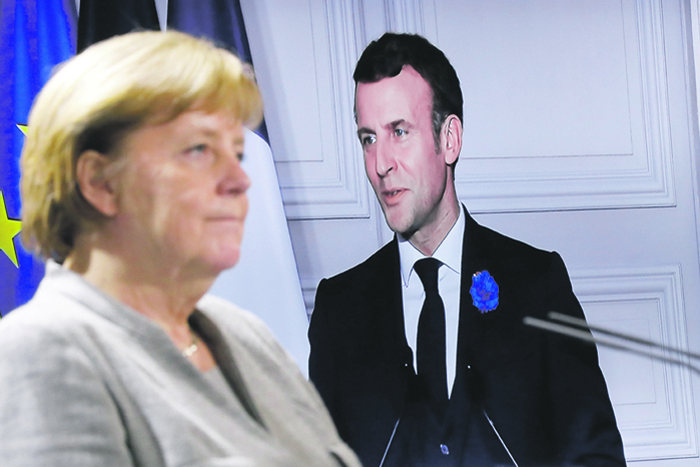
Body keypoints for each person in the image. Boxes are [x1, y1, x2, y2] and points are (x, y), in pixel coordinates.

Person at [0, 30, 360, 467]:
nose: (240, 179)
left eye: (237, 153)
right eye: (199, 149)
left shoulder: (246, 334)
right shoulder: (42, 353)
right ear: (101, 182)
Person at [308, 32, 626, 467]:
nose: (381, 163)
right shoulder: (339, 310)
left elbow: (596, 456)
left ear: (450, 139)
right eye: (368, 138)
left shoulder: (537, 285)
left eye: (399, 132)